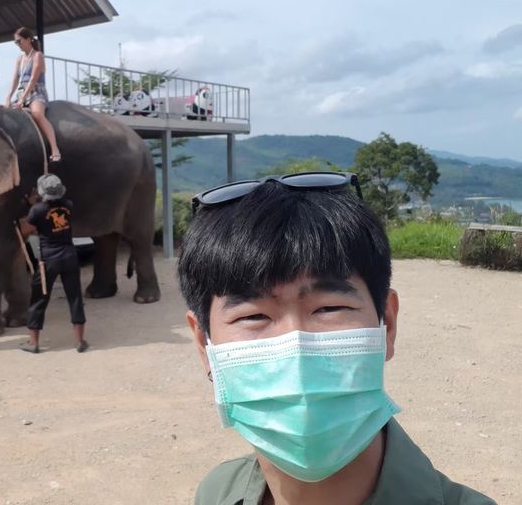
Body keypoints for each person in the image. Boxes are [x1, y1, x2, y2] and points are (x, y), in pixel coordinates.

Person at [177, 172, 496, 505]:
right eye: (253, 316)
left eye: (329, 308)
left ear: (386, 323)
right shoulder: (216, 492)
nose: (295, 346)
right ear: (204, 344)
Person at [18, 174, 87, 353]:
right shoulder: (69, 206)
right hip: (70, 256)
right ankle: (80, 341)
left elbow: (25, 229)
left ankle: (33, 344)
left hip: (48, 260)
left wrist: (31, 205)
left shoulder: (38, 210)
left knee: (38, 300)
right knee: (75, 298)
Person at [5, 26, 61, 162]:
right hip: (21, 93)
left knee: (37, 114)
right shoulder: (19, 59)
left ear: (29, 39)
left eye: (20, 41)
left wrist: (22, 99)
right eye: (16, 42)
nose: (18, 45)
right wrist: (8, 97)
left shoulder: (38, 56)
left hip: (36, 92)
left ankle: (55, 149)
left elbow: (33, 79)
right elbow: (15, 79)